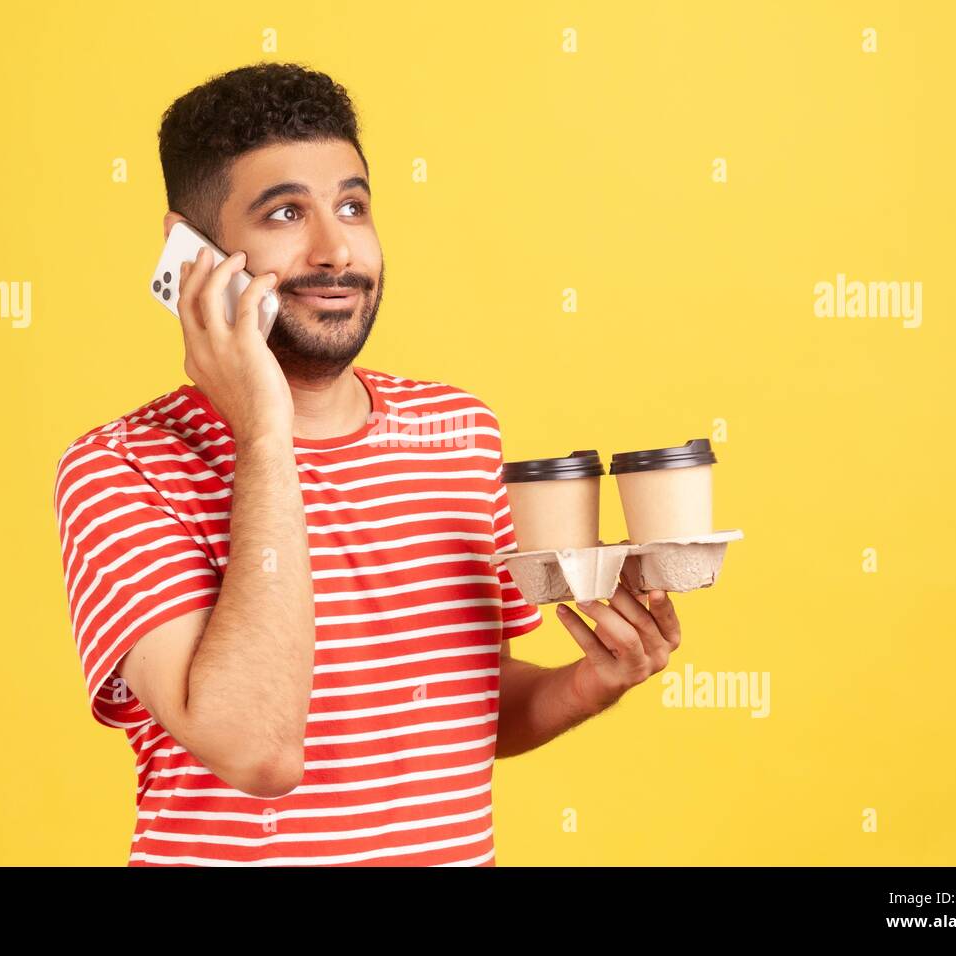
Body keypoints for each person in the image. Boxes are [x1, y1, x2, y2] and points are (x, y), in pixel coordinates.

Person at [52, 62, 683, 866]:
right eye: (286, 212)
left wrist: (592, 681)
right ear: (192, 252)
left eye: (353, 205)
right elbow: (258, 751)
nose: (337, 248)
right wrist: (264, 436)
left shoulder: (460, 432)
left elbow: (465, 711)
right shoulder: (121, 468)